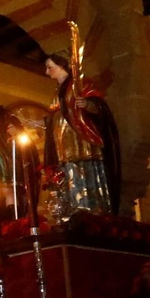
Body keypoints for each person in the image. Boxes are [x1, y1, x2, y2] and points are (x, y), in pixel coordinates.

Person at [42, 22, 120, 216]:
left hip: (81, 141)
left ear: (61, 65)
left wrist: (88, 105)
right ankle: (70, 213)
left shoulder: (81, 84)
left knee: (84, 175)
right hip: (63, 146)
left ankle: (92, 213)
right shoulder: (57, 92)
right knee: (68, 176)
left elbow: (98, 106)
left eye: (49, 67)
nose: (47, 72)